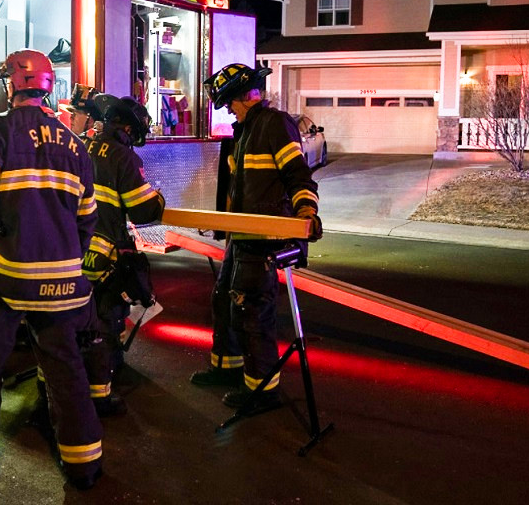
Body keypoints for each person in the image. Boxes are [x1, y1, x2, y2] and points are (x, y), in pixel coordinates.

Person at [0, 49, 103, 491]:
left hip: (2, 279)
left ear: (11, 85)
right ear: (49, 88)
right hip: (64, 284)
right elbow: (87, 219)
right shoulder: (76, 146)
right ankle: (84, 466)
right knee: (66, 371)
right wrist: (64, 258)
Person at [190, 63, 323, 414]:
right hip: (242, 235)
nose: (228, 109)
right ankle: (227, 368)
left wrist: (306, 214)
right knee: (224, 300)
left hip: (264, 236)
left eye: (230, 102)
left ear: (246, 96)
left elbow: (299, 176)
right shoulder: (246, 130)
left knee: (252, 312)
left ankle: (262, 389)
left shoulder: (275, 126)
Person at [29, 94, 164, 425]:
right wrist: (157, 196)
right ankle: (98, 396)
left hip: (64, 251)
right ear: (129, 129)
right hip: (100, 257)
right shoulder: (122, 156)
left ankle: (46, 393)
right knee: (102, 324)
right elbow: (145, 209)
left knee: (59, 326)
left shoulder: (78, 146)